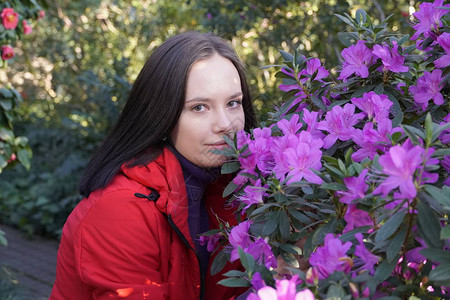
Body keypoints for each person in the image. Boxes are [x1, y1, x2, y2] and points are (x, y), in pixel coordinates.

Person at [50, 31, 256, 300]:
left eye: (233, 103)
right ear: (162, 114)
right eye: (199, 108)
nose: (225, 124)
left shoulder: (232, 188)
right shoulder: (119, 212)